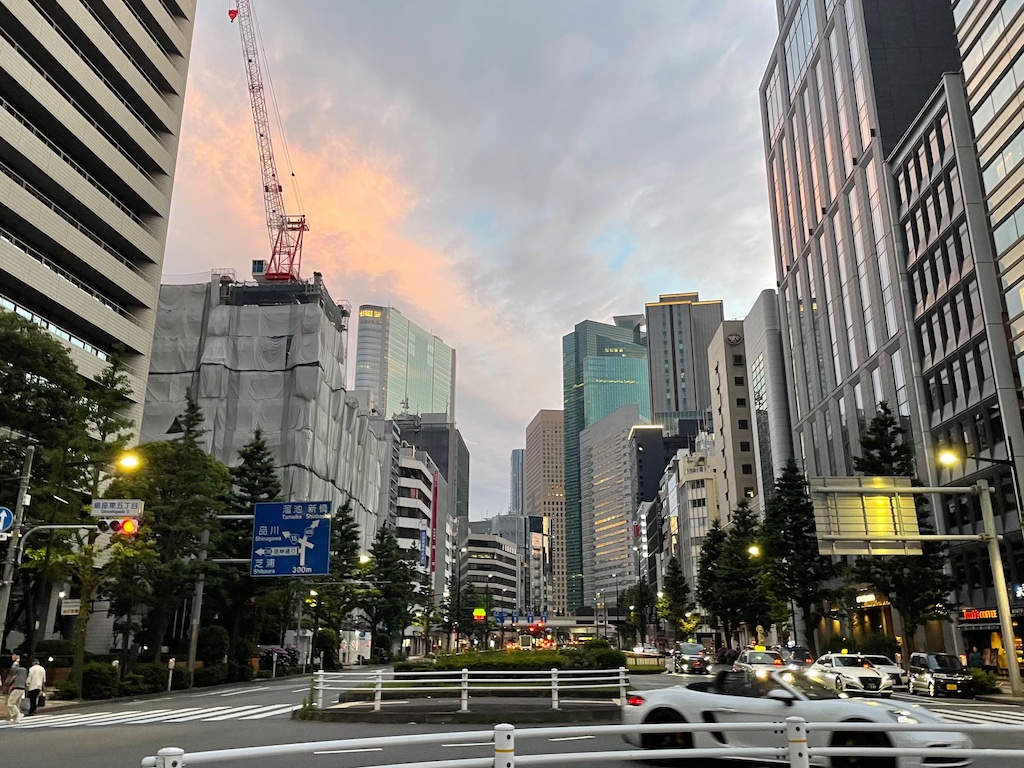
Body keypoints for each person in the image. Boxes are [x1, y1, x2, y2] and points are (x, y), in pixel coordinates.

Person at [4, 652, 27, 724]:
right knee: (16, 703)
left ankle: (18, 714)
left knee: (10, 703)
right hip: (21, 687)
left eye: (14, 655)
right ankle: (15, 718)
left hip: (17, 687)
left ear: (18, 656)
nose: (12, 656)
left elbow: (12, 670)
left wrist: (16, 662)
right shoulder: (24, 669)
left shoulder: (18, 668)